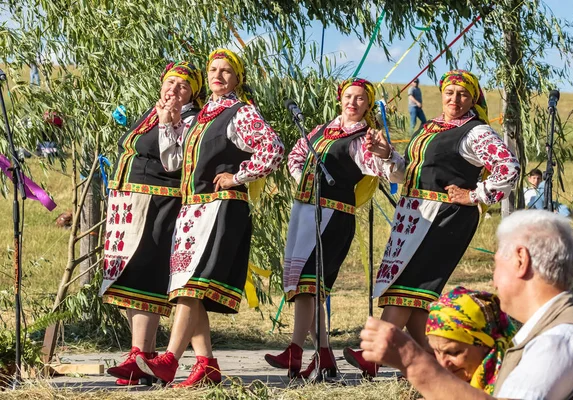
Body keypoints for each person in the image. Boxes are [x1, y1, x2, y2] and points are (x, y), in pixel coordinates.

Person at [343, 69, 520, 378]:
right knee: (418, 295)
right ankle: (432, 366)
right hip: (414, 215)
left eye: (463, 94)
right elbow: (407, 173)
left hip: (445, 217)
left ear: (473, 98)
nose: (455, 99)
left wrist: (476, 195)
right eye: (450, 92)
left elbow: (508, 167)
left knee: (407, 285)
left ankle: (375, 353)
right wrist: (386, 155)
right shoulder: (430, 127)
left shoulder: (475, 132)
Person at [136, 49, 285, 387]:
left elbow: (273, 148)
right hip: (193, 209)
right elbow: (173, 163)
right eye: (213, 70)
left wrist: (239, 175)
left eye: (226, 71)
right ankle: (206, 364)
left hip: (220, 205)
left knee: (191, 286)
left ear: (237, 79)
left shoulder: (240, 112)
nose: (218, 75)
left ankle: (170, 359)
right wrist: (167, 125)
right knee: (187, 288)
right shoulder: (202, 115)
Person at [360, 210, 573, 399]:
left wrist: (412, 361)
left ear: (520, 260)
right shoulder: (554, 332)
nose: (494, 280)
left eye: (496, 265)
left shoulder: (560, 338)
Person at [264, 78, 404, 378]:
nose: (352, 102)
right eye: (348, 97)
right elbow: (296, 154)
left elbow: (393, 173)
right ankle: (324, 355)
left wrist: (385, 153)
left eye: (360, 99)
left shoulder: (363, 140)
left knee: (309, 285)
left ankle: (295, 350)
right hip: (305, 211)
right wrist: (304, 177)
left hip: (334, 216)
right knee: (306, 287)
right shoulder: (322, 130)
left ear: (368, 105)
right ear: (340, 99)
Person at [101, 61, 205, 386]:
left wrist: (166, 124)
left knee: (145, 277)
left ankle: (138, 355)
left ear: (192, 94)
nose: (174, 90)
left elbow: (172, 161)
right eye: (170, 83)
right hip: (132, 204)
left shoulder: (191, 120)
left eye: (183, 86)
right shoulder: (153, 110)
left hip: (159, 203)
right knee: (130, 276)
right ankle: (142, 358)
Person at [426, 286, 516, 394]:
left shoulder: (516, 388)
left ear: (486, 344)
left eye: (453, 352)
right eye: (436, 351)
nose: (442, 364)